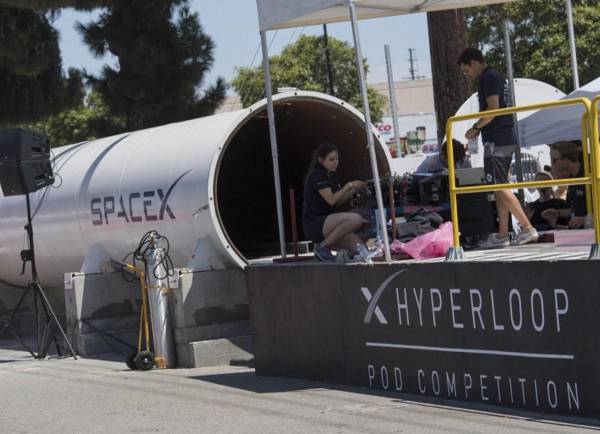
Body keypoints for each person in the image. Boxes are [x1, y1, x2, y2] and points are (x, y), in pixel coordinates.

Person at [458, 47, 539, 247]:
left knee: (499, 185)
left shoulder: (488, 77)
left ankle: (528, 228)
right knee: (500, 184)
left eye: (467, 71)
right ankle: (503, 235)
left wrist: (476, 126)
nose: (467, 75)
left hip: (497, 139)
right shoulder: (496, 77)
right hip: (503, 137)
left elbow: (493, 109)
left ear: (474, 63)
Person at [302, 142, 368, 262]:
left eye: (337, 158)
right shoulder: (317, 175)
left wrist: (353, 190)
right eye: (331, 159)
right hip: (315, 223)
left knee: (362, 249)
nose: (335, 162)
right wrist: (349, 185)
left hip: (328, 223)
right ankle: (321, 248)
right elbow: (331, 200)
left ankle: (340, 253)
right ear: (321, 160)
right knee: (355, 219)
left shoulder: (330, 175)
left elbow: (337, 201)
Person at [541, 141, 587, 229]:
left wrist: (585, 219)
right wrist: (558, 213)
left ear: (567, 160)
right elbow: (577, 209)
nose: (552, 165)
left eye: (554, 160)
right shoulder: (573, 179)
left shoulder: (589, 175)